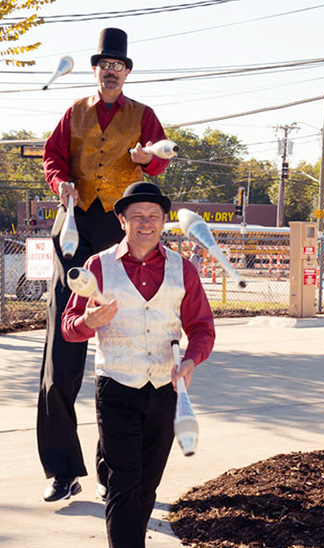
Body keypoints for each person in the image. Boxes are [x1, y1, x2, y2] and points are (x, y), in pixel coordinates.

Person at [39, 27, 171, 503]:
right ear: (96, 70)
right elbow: (53, 158)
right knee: (61, 357)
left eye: (119, 65)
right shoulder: (73, 112)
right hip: (75, 235)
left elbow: (162, 159)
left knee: (121, 354)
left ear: (127, 72)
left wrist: (145, 160)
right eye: (104, 64)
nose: (111, 70)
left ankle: (109, 470)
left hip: (119, 237)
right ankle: (61, 470)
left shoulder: (144, 116)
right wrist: (61, 184)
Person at [62, 182, 215, 548]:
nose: (146, 223)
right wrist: (89, 323)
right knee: (124, 480)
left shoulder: (184, 270)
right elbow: (68, 328)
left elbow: (202, 328)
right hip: (116, 386)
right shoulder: (96, 266)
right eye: (137, 216)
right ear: (121, 221)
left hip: (165, 390)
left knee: (148, 484)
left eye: (153, 216)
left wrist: (192, 360)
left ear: (164, 221)